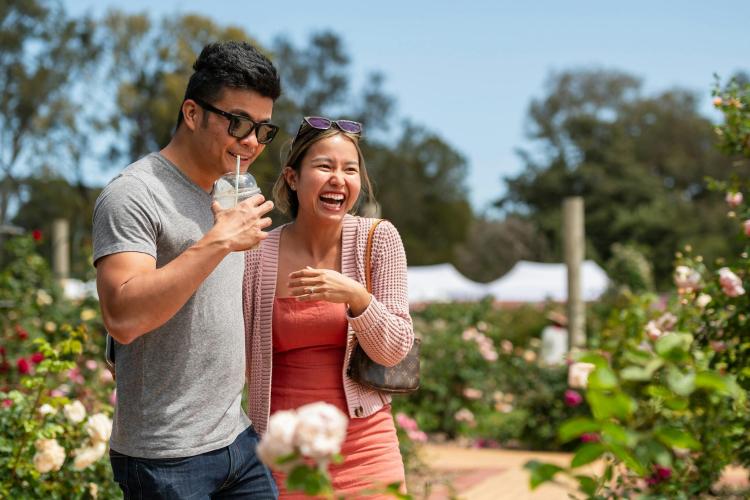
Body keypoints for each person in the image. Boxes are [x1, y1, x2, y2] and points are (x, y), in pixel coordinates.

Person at [93, 41, 280, 498]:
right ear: (192, 113)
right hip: (165, 458)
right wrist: (218, 241)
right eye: (237, 122)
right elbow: (122, 317)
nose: (251, 142)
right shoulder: (133, 194)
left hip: (236, 437)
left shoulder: (229, 192)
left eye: (262, 128)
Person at [243, 116, 414, 497]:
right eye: (324, 166)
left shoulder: (378, 239)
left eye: (349, 169)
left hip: (367, 446)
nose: (339, 178)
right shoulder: (257, 253)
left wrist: (356, 297)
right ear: (292, 177)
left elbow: (395, 349)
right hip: (283, 450)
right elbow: (233, 353)